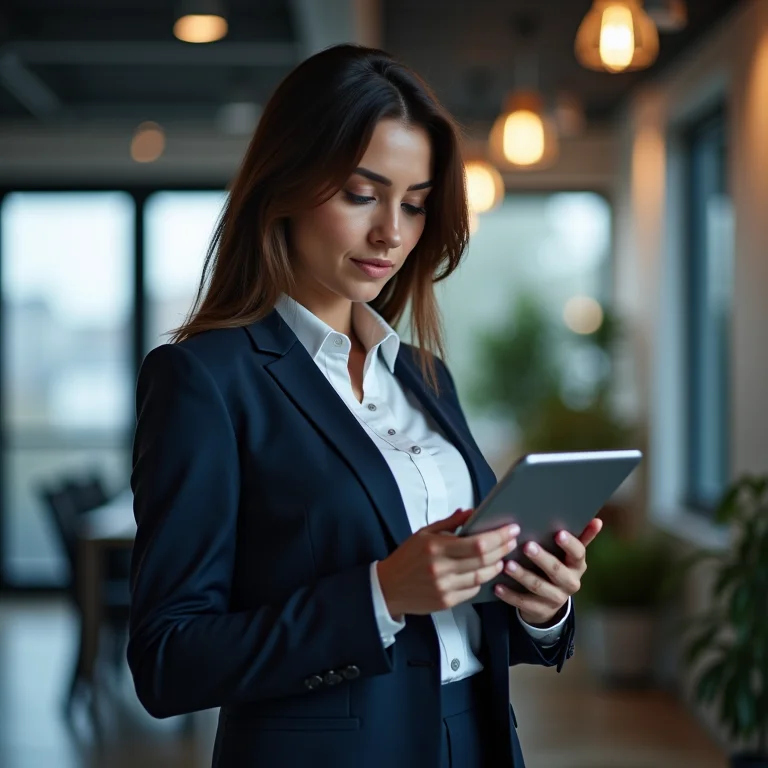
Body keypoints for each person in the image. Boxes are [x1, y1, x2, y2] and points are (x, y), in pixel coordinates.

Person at [127, 43, 602, 768]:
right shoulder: (204, 380)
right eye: (360, 194)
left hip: (476, 741)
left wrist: (542, 608)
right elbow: (168, 660)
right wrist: (380, 595)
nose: (392, 233)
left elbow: (462, 626)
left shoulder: (425, 377)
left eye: (414, 204)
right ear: (285, 184)